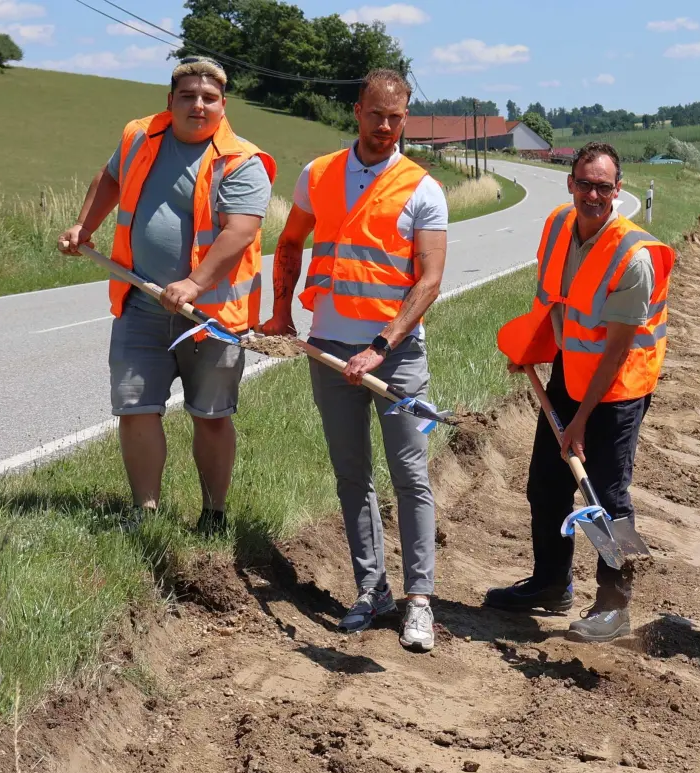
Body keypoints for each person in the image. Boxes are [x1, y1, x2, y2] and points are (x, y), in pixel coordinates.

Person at [259, 69, 448, 651]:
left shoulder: (423, 188)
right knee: (351, 475)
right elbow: (289, 243)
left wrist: (382, 346)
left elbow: (430, 279)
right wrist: (280, 313)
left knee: (410, 476)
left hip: (395, 355)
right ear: (358, 110)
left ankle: (419, 601)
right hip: (329, 348)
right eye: (376, 114)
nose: (386, 126)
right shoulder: (318, 175)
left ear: (406, 117)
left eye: (397, 117)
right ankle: (373, 590)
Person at [57, 57, 274, 533]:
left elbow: (238, 232)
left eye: (209, 98)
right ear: (170, 100)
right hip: (141, 303)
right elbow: (111, 177)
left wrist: (194, 284)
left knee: (211, 417)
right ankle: (145, 514)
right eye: (188, 96)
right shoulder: (140, 136)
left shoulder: (242, 160)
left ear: (223, 104)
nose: (198, 105)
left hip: (212, 316)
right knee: (135, 409)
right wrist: (84, 225)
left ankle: (213, 514)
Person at [490, 142, 674, 642]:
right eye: (585, 184)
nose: (593, 194)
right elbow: (553, 300)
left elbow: (615, 351)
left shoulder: (632, 257)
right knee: (546, 485)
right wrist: (529, 348)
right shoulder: (557, 226)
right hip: (570, 373)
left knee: (605, 496)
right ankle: (551, 583)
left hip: (618, 389)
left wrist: (577, 422)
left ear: (618, 191)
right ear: (570, 184)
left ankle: (615, 607)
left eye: (604, 187)